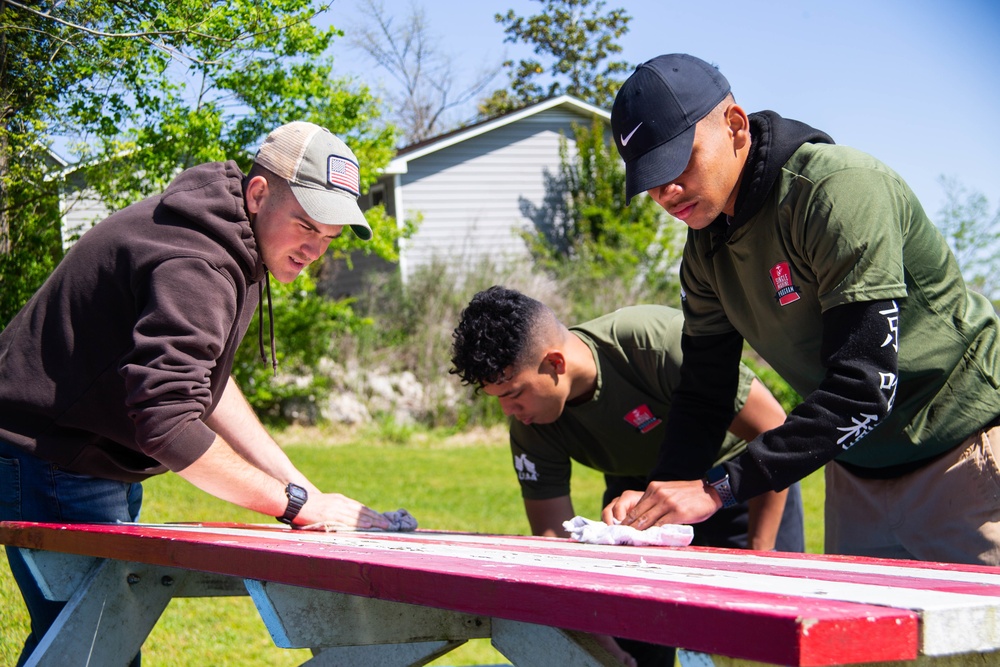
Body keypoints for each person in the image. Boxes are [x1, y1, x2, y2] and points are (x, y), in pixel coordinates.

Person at [0, 121, 393, 665]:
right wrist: (297, 505)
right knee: (93, 648)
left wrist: (300, 488)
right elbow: (167, 422)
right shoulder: (199, 260)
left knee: (85, 644)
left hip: (88, 451)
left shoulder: (232, 238)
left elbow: (205, 379)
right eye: (305, 224)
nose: (314, 250)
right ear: (259, 194)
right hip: (51, 455)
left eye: (327, 237)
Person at [605, 53, 1000, 566]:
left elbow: (864, 387)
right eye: (650, 178)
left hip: (963, 454)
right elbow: (705, 392)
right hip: (857, 473)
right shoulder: (705, 250)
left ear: (735, 126)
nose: (666, 191)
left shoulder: (837, 192)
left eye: (679, 161)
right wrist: (663, 496)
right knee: (863, 648)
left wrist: (718, 489)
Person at [451, 285, 805, 667]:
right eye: (497, 398)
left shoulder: (653, 343)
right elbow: (554, 546)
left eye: (514, 392)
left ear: (555, 363)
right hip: (633, 503)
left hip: (739, 482)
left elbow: (775, 434)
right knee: (637, 643)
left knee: (759, 642)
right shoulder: (531, 422)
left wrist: (759, 555)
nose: (507, 410)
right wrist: (605, 645)